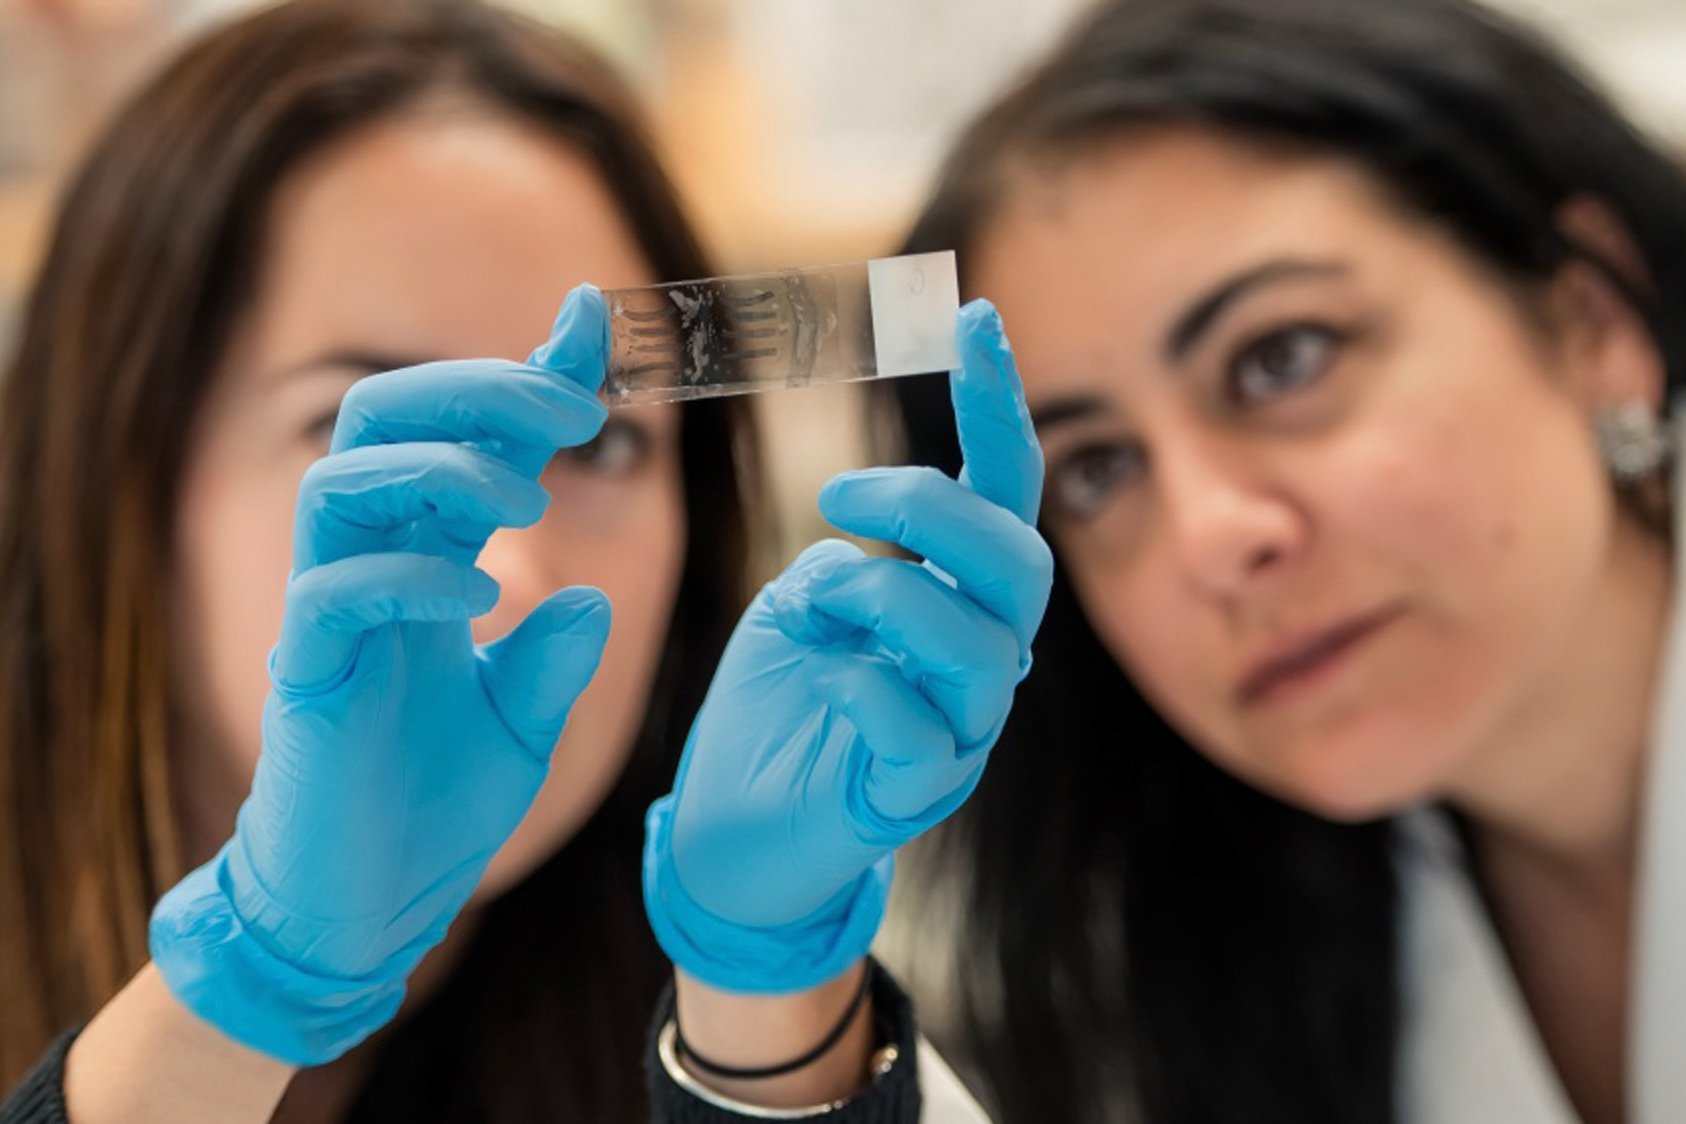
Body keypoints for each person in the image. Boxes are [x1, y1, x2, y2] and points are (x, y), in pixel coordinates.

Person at [878, 0, 1686, 1121]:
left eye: (1281, 358)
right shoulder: (1201, 965)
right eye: (1097, 469)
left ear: (1596, 324)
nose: (1211, 538)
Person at [0, 1, 758, 1118]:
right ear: (121, 474)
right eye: (380, 434)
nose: (514, 565)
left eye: (602, 439)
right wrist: (235, 1000)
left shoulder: (728, 1032)